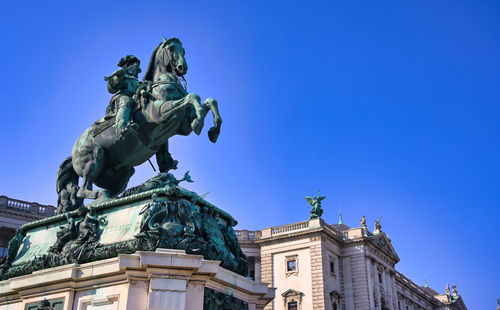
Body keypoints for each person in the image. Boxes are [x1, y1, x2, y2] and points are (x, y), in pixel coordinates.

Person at [104, 55, 142, 138]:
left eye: (135, 65)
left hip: (135, 98)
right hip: (121, 97)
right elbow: (112, 89)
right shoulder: (120, 75)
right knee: (126, 102)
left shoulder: (136, 81)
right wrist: (118, 77)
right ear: (126, 66)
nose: (133, 68)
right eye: (131, 64)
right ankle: (121, 129)